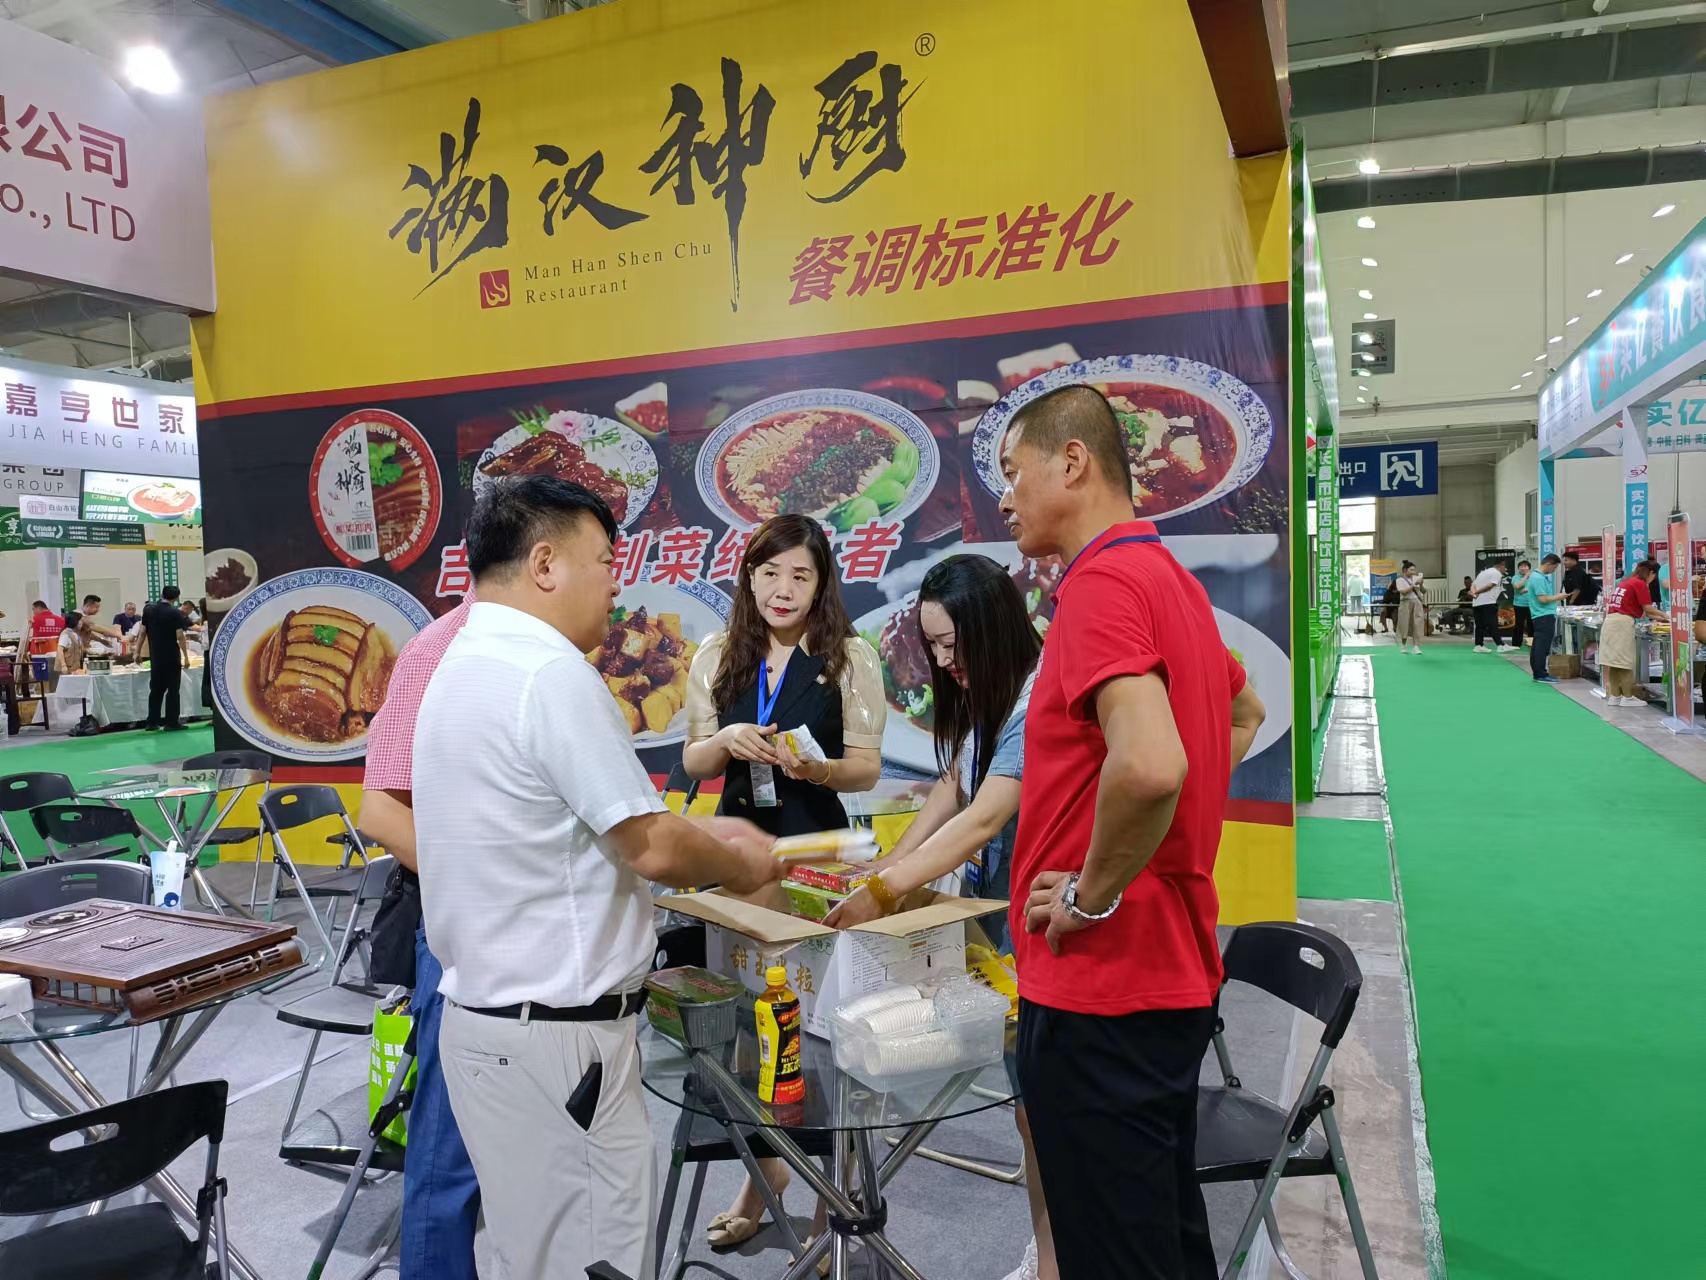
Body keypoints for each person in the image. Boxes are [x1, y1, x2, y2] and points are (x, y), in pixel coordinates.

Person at [412, 475, 783, 1280]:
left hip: (488, 1026)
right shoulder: (547, 673)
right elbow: (651, 847)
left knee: (527, 1252)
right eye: (607, 562)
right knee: (594, 1258)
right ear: (545, 564)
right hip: (559, 1042)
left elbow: (569, 827)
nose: (617, 584)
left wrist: (696, 834)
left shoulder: (461, 661)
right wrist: (739, 862)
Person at [996, 385, 1266, 1280]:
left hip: (1101, 986)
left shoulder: (1100, 585)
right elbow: (1244, 713)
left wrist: (1090, 893)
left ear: (1072, 462)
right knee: (1158, 1236)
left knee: (1115, 1251)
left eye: (1013, 472)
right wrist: (1169, 832)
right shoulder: (1168, 580)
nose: (1005, 498)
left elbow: (1150, 766)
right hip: (1166, 974)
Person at [822, 554, 1055, 1280]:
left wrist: (887, 887)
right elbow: (955, 785)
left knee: (1043, 1109)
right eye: (934, 648)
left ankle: (1056, 1255)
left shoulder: (1037, 700)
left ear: (994, 628)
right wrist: (887, 867)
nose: (947, 663)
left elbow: (985, 817)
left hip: (1042, 924)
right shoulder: (991, 695)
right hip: (1001, 917)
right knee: (1030, 1107)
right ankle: (1051, 1252)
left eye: (954, 644)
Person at [680, 512, 884, 1256]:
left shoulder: (850, 656)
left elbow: (866, 767)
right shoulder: (717, 653)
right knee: (747, 1030)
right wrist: (724, 740)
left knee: (824, 1035)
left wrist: (818, 768)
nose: (783, 589)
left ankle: (835, 1200)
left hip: (816, 859)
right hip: (737, 858)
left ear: (822, 583)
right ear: (749, 577)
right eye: (770, 573)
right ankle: (763, 1182)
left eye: (801, 574)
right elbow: (694, 761)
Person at [359, 584, 479, 1280]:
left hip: (534, 933)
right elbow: (381, 811)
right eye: (600, 560)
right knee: (448, 1128)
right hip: (463, 922)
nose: (611, 582)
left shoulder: (546, 645)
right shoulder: (437, 651)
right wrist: (483, 889)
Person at [1601, 559, 1666, 707]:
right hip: (1622, 624)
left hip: (1611, 621)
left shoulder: (1626, 582)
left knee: (1614, 662)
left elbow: (1643, 612)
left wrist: (1658, 617)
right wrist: (1666, 616)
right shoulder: (1640, 584)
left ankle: (1615, 696)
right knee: (1625, 663)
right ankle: (1628, 698)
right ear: (1651, 573)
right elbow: (1648, 608)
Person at [140, 585, 192, 730]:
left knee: (156, 689)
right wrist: (186, 657)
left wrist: (137, 652)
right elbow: (180, 636)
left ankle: (152, 721)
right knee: (173, 689)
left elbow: (142, 632)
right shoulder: (175, 613)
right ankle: (171, 722)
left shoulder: (149, 610)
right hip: (171, 655)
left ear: (162, 594)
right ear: (176, 598)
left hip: (155, 655)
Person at [1515, 555, 1565, 683]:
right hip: (1543, 615)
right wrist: (1559, 597)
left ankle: (1538, 673)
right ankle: (1540, 674)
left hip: (1541, 615)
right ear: (1549, 564)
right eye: (1554, 567)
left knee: (1538, 645)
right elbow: (1542, 599)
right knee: (1542, 646)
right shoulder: (1538, 578)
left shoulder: (1537, 577)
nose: (1554, 570)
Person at [1470, 560, 1506, 652]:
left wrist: (1474, 593)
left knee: (1479, 625)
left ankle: (1478, 645)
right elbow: (1490, 586)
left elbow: (1473, 584)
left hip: (1477, 603)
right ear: (1500, 566)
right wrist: (1477, 592)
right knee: (1492, 624)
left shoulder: (1482, 573)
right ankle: (1500, 645)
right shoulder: (1497, 573)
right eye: (1504, 567)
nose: (1505, 569)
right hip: (1488, 602)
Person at [1395, 562, 1426, 654]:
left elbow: (1424, 591)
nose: (1413, 572)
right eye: (1411, 570)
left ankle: (1416, 646)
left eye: (1414, 570)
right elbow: (1403, 592)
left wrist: (1421, 584)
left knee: (1418, 623)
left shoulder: (1416, 578)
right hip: (1405, 603)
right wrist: (1414, 584)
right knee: (1404, 623)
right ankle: (1403, 645)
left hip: (1417, 602)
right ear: (1405, 570)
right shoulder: (1400, 580)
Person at [1510, 560, 1533, 650]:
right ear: (1518, 568)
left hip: (1531, 604)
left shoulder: (1534, 577)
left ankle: (1531, 644)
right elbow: (1517, 586)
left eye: (1525, 566)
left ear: (1529, 568)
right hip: (1519, 605)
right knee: (1519, 625)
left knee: (1531, 625)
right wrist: (1526, 577)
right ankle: (1516, 644)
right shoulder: (1515, 577)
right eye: (1521, 566)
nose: (1523, 568)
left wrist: (1525, 590)